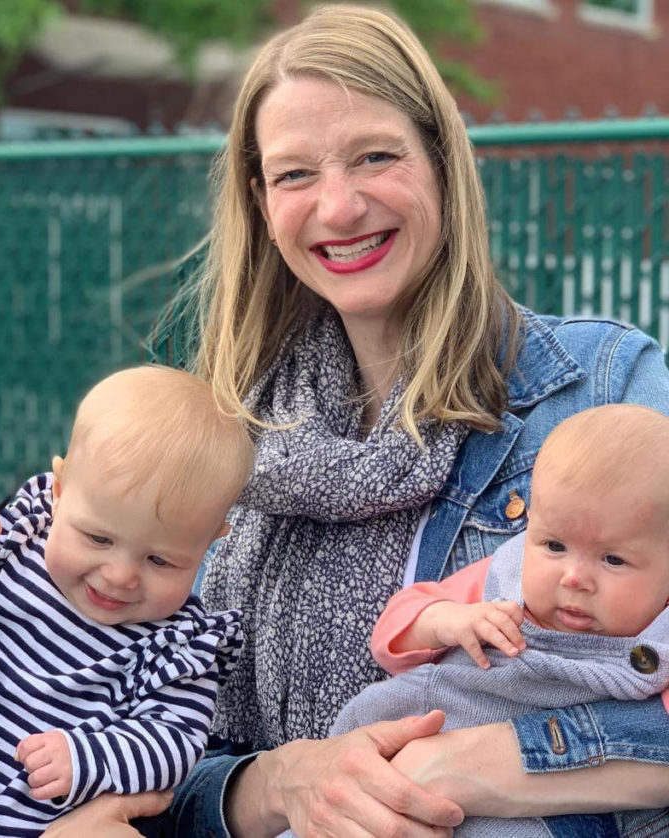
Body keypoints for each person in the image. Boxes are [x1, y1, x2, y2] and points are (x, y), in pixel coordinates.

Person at [46, 5, 669, 837]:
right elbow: (143, 732)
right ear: (262, 203)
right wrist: (273, 786)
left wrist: (471, 767)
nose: (338, 209)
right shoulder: (220, 434)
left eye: (376, 157)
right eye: (296, 174)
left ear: (442, 165)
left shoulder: (604, 390)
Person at [274, 404, 669, 838]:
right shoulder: (503, 580)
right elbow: (391, 636)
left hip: (542, 807)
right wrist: (447, 620)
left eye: (613, 559)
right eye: (553, 545)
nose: (573, 577)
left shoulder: (660, 638)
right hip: (420, 737)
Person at [0, 365, 253, 837]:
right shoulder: (21, 537)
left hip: (32, 821)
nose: (120, 576)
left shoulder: (178, 645)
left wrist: (87, 757)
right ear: (60, 493)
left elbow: (174, 743)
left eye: (160, 560)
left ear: (211, 541)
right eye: (98, 538)